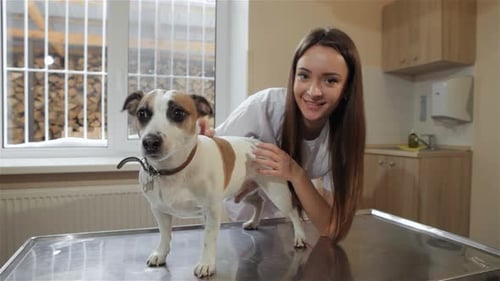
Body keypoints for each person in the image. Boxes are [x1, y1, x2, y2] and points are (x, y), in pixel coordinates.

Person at [201, 27, 365, 243]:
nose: (313, 91)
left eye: (330, 80)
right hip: (242, 223)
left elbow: (331, 228)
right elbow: (214, 150)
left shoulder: (343, 139)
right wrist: (200, 143)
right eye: (304, 76)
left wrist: (295, 173)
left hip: (285, 222)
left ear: (346, 89)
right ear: (293, 76)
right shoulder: (263, 108)